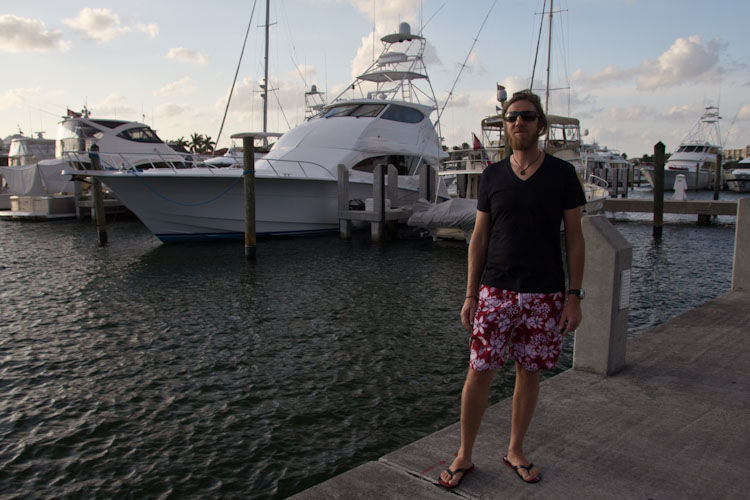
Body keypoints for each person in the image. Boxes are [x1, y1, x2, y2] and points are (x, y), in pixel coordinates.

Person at [439, 90, 586, 488]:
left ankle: (515, 450)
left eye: (526, 116)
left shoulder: (562, 174)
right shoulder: (492, 176)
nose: (518, 123)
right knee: (479, 372)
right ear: (505, 126)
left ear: (540, 124)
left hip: (546, 294)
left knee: (530, 372)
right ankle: (464, 455)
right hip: (495, 292)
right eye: (511, 118)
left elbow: (574, 238)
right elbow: (480, 238)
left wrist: (574, 296)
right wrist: (471, 295)